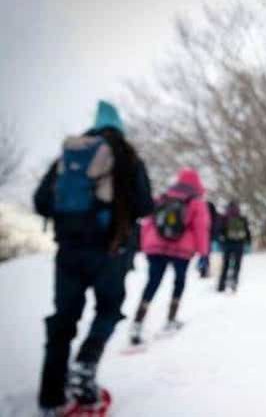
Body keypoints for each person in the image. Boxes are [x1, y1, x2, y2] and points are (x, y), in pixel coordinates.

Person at [33, 100, 154, 415]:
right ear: (119, 126)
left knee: (63, 320)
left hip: (69, 252)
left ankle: (50, 397)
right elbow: (144, 206)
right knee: (109, 309)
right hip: (110, 252)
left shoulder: (71, 153)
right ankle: (86, 365)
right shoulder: (127, 156)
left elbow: (41, 202)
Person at [130, 167, 209, 344]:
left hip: (156, 248)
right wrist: (204, 254)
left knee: (152, 283)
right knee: (179, 282)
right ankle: (171, 319)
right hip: (182, 251)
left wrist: (146, 245)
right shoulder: (196, 201)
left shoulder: (163, 197)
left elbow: (148, 223)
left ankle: (137, 322)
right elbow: (201, 229)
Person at [217, 201, 252, 293]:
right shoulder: (242, 218)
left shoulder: (225, 218)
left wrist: (220, 241)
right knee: (237, 265)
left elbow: (220, 231)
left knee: (225, 265)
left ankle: (221, 285)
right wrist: (248, 243)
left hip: (227, 244)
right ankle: (234, 282)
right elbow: (247, 232)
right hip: (239, 245)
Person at [196, 200, 218, 278]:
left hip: (201, 235)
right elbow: (216, 225)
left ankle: (202, 266)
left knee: (203, 253)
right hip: (209, 236)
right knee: (207, 253)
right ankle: (203, 267)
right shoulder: (213, 214)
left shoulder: (201, 212)